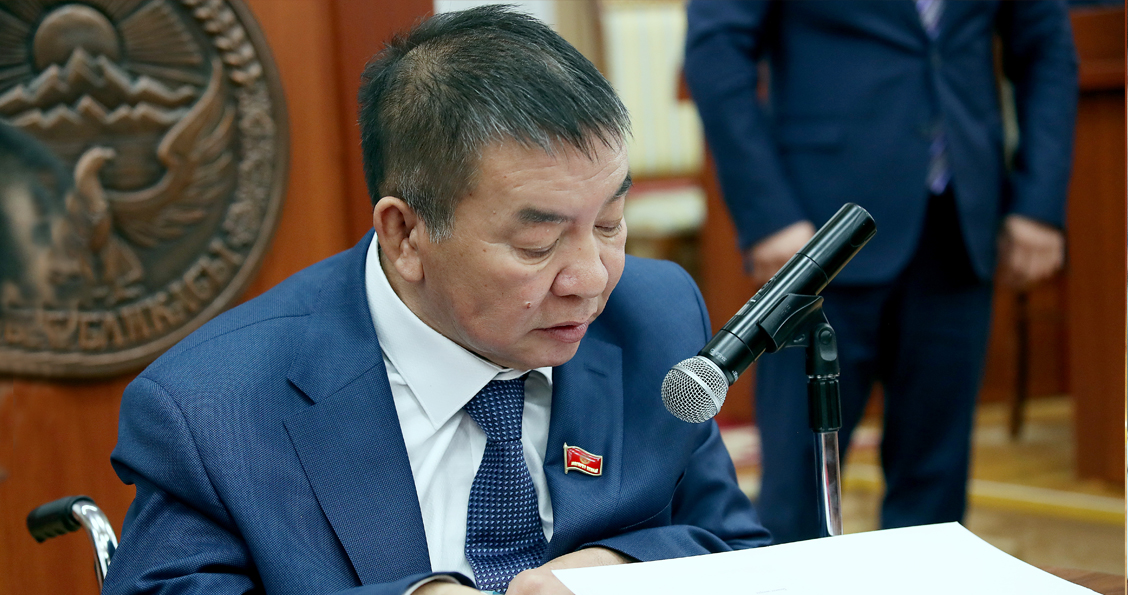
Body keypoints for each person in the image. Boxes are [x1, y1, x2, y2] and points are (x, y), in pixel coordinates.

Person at [102, 7, 770, 595]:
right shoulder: (215, 406)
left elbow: (738, 550)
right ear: (405, 234)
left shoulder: (653, 319)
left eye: (609, 223)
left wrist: (622, 569)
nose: (592, 278)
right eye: (538, 244)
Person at [684, 1, 1076, 543]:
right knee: (801, 485)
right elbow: (717, 53)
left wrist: (1038, 203)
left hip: (960, 220)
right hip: (819, 233)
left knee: (935, 483)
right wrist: (767, 213)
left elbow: (1047, 48)